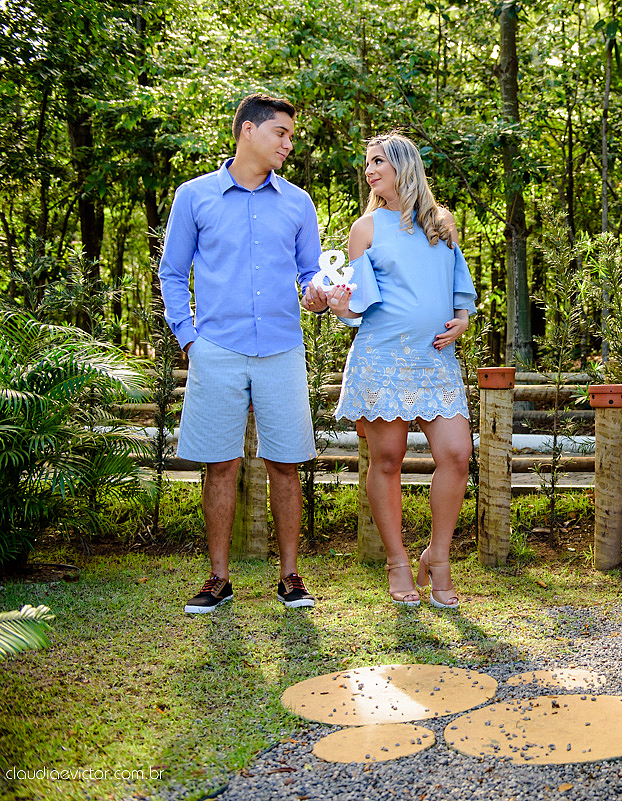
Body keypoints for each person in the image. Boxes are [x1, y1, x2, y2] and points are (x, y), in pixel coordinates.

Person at [160, 93, 332, 614]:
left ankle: (290, 577)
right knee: (221, 465)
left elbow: (309, 275)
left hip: (281, 348)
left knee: (286, 464)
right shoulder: (194, 196)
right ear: (247, 131)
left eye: (291, 135)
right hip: (217, 348)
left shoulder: (298, 202)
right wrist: (189, 336)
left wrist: (318, 294)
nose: (288, 143)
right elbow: (172, 271)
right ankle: (218, 577)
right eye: (280, 132)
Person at [322, 132, 476, 609]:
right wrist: (333, 304)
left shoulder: (442, 223)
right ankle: (398, 562)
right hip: (382, 359)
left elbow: (459, 287)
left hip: (435, 361)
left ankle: (439, 556)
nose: (369, 171)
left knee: (457, 455)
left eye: (378, 162)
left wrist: (463, 320)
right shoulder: (364, 228)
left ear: (404, 167)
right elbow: (359, 305)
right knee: (386, 461)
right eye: (367, 164)